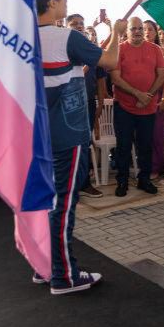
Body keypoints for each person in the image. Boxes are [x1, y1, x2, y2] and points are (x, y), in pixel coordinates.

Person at [33, 0, 123, 294]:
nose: (67, 2)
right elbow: (110, 60)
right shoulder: (64, 37)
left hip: (36, 138)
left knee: (44, 205)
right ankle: (63, 275)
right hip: (66, 136)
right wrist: (116, 33)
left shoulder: (22, 38)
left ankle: (45, 267)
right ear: (53, 2)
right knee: (64, 205)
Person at [110, 17, 164, 197]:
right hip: (124, 107)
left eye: (140, 28)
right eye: (133, 28)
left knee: (145, 146)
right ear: (126, 31)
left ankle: (144, 180)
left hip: (148, 107)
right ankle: (122, 181)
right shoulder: (119, 50)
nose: (137, 31)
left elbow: (162, 74)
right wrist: (138, 94)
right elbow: (115, 78)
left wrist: (147, 96)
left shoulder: (155, 49)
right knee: (123, 146)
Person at [67, 13, 105, 198]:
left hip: (88, 103)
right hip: (69, 105)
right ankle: (69, 185)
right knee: (70, 145)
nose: (79, 27)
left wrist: (98, 107)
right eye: (74, 24)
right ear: (67, 27)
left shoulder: (91, 51)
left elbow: (101, 82)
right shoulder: (64, 49)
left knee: (84, 143)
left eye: (81, 24)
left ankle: (84, 183)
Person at [143, 20, 164, 180]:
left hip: (158, 97)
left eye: (150, 29)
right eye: (144, 29)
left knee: (156, 134)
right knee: (143, 134)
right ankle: (145, 166)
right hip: (140, 97)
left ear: (156, 32)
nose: (147, 32)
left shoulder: (162, 51)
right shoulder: (138, 50)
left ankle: (156, 167)